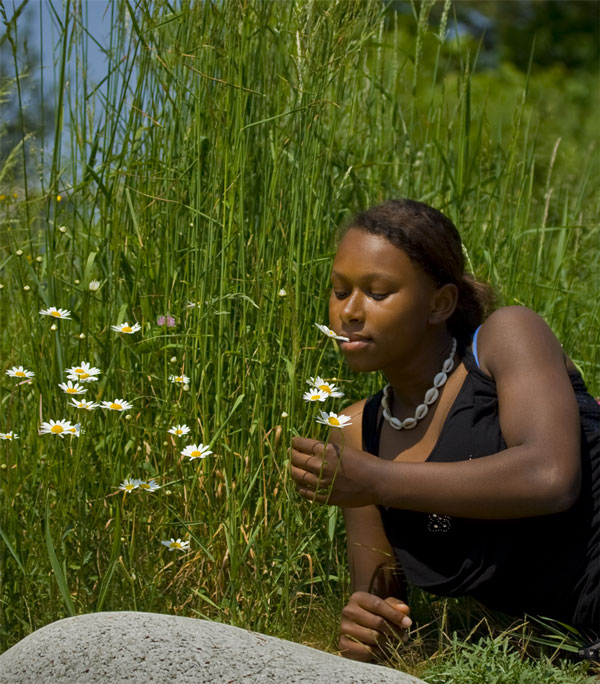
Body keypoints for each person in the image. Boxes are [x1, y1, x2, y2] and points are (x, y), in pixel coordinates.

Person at [290, 199, 600, 663]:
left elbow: (549, 476)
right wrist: (369, 628)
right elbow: (380, 600)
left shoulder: (504, 340)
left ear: (440, 303)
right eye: (339, 292)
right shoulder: (356, 433)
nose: (349, 312)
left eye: (377, 292)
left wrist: (376, 479)